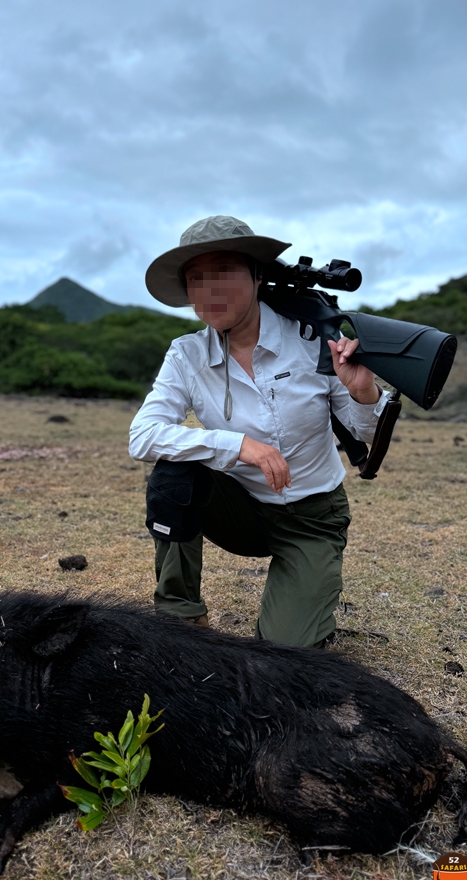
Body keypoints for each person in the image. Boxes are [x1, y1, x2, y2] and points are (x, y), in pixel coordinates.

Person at [129, 215, 388, 648]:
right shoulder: (187, 354)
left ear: (256, 275)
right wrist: (238, 446)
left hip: (313, 519)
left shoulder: (315, 340)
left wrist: (364, 391)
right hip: (241, 511)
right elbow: (143, 436)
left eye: (224, 273)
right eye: (197, 279)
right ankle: (180, 621)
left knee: (285, 656)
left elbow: (367, 434)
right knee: (175, 474)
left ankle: (301, 598)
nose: (209, 291)